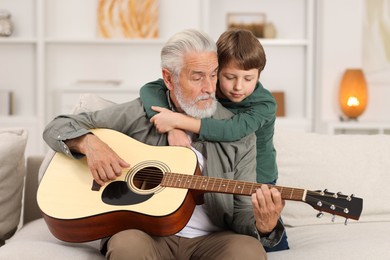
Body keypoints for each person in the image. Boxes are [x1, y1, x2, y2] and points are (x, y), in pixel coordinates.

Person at [43, 29, 285, 259]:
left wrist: (264, 226)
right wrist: (90, 144)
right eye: (197, 77)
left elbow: (241, 213)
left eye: (213, 75)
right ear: (169, 79)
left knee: (248, 251)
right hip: (148, 234)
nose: (210, 88)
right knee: (126, 246)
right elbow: (57, 126)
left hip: (212, 239)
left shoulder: (239, 134)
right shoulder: (140, 113)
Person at [140, 29, 289, 251]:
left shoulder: (265, 104)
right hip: (224, 172)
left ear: (259, 74)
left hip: (260, 175)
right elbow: (150, 89)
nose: (238, 87)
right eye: (229, 77)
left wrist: (178, 121)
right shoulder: (211, 86)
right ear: (218, 71)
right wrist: (167, 125)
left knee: (268, 240)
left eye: (249, 78)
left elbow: (232, 130)